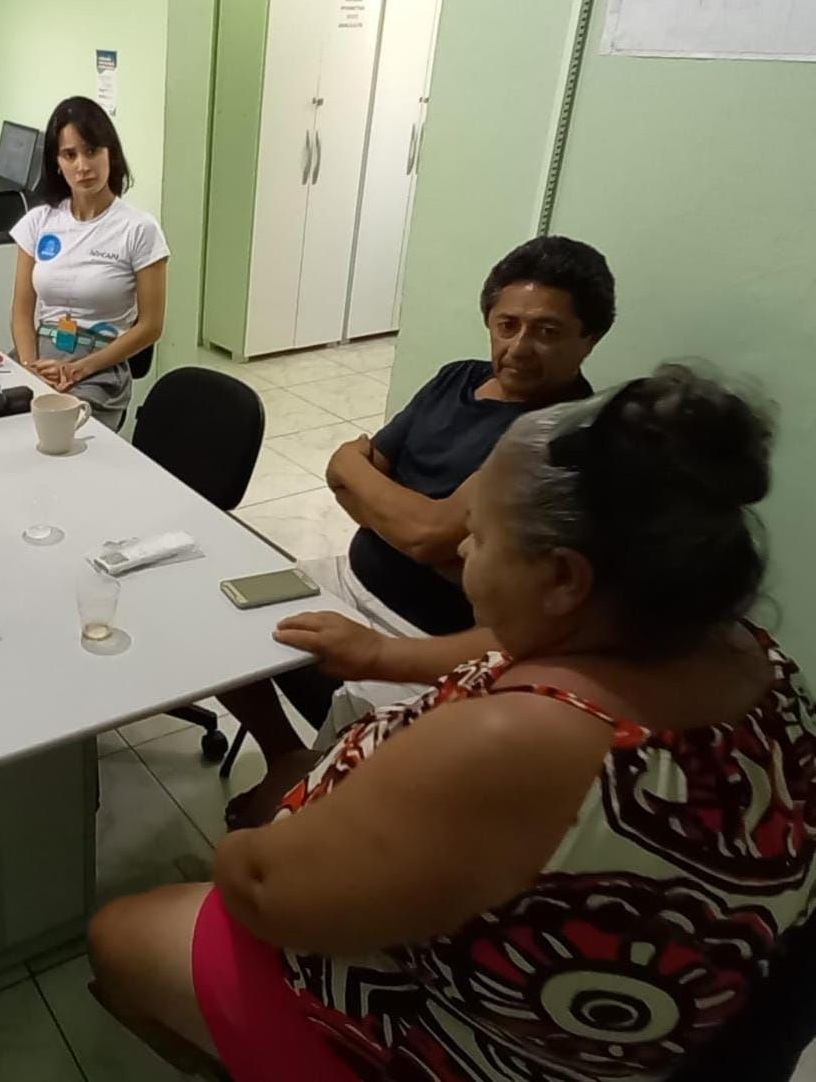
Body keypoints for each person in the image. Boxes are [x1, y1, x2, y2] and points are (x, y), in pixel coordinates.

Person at [87, 364, 814, 1082]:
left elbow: (263, 892)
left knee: (120, 931)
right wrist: (384, 656)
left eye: (480, 537)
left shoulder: (517, 743)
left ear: (564, 579)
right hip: (629, 1021)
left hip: (462, 1046)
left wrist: (255, 836)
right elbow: (518, 649)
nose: (462, 551)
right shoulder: (751, 658)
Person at [222, 236, 615, 827]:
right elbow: (348, 476)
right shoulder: (456, 379)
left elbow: (420, 529)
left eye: (547, 332)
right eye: (507, 325)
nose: (518, 347)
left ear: (590, 338)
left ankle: (312, 793)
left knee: (361, 739)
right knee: (221, 614)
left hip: (430, 633)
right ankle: (286, 757)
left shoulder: (561, 435)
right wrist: (404, 519)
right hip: (348, 577)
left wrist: (387, 504)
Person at [9, 96, 168, 429]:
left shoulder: (139, 229)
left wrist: (78, 369)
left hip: (99, 370)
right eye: (70, 155)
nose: (82, 166)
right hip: (39, 359)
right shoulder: (39, 222)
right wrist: (29, 366)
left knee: (54, 431)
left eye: (92, 151)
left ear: (111, 153)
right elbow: (22, 311)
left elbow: (151, 326)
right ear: (57, 162)